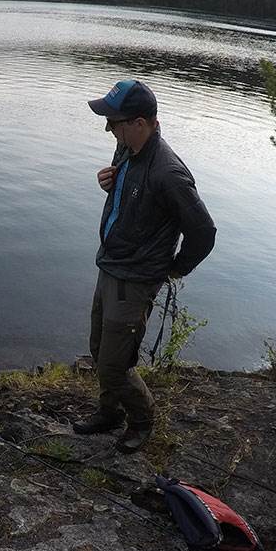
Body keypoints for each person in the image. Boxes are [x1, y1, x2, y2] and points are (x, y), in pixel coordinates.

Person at [74, 80, 216, 453]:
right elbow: (132, 198)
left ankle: (142, 420)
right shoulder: (127, 148)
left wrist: (175, 268)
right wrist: (109, 183)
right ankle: (110, 413)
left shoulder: (169, 173)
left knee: (115, 362)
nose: (108, 128)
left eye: (114, 122)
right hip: (111, 264)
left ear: (140, 123)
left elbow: (203, 232)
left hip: (136, 279)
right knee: (99, 347)